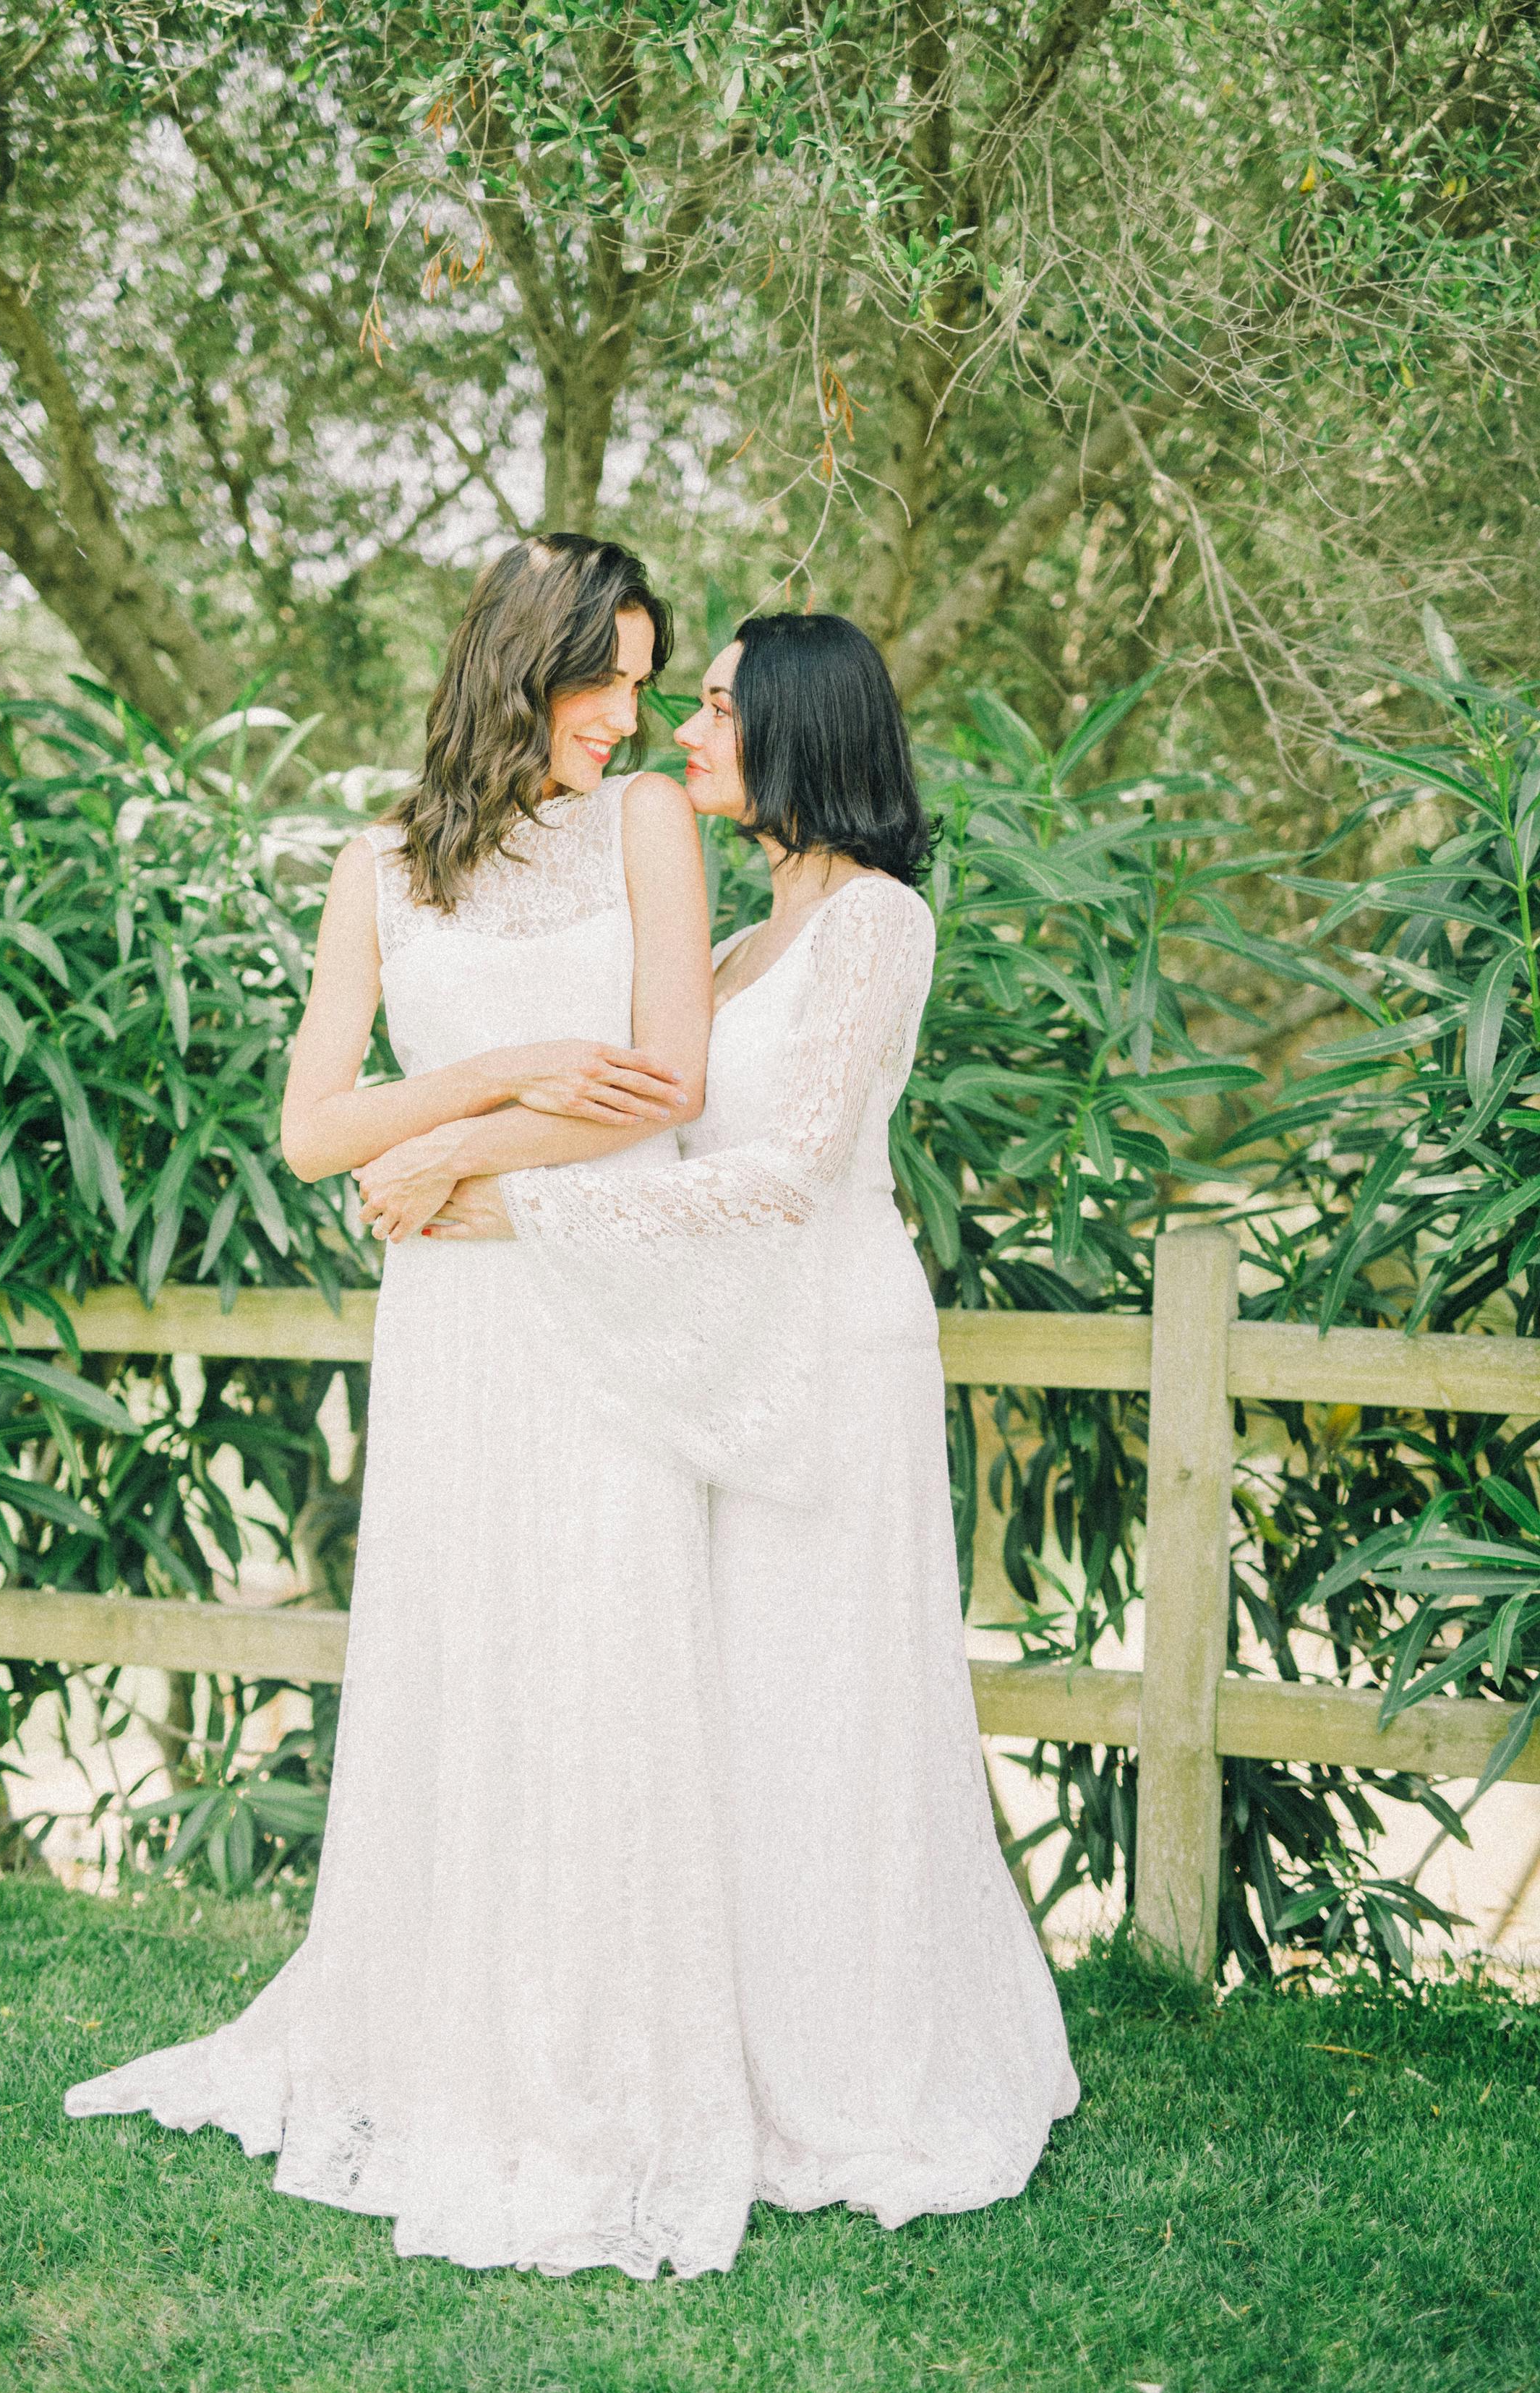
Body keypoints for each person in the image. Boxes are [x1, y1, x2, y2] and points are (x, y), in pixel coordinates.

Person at [67, 534, 761, 2282]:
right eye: (598, 677)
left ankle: (601, 2048)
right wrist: (497, 1078)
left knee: (604, 1649)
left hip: (591, 1281)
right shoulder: (377, 863)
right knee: (469, 1650)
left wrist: (455, 1150)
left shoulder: (650, 832)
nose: (628, 714)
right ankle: (439, 2024)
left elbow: (668, 1081)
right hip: (454, 1323)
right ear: (513, 673)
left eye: (643, 677)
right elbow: (314, 1127)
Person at [426, 612, 1079, 2225]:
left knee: (826, 1704)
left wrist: (514, 1213)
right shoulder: (734, 950)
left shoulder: (875, 928)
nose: (682, 731)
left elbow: (784, 1179)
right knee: (734, 1713)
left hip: (836, 1355)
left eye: (712, 706)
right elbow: (652, 1130)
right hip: (724, 1363)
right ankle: (729, 2052)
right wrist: (461, 1130)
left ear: (796, 729)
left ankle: (853, 2071)